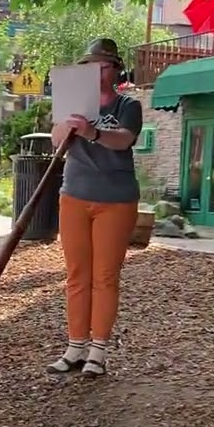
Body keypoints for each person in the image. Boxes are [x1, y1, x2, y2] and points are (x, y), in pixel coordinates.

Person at [46, 38, 144, 378]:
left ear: (116, 70)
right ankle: (75, 346)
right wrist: (68, 124)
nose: (96, 72)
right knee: (77, 275)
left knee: (105, 276)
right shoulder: (72, 101)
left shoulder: (128, 105)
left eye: (103, 66)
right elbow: (56, 139)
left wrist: (92, 132)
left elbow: (124, 139)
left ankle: (98, 351)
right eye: (90, 66)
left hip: (116, 200)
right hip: (74, 195)